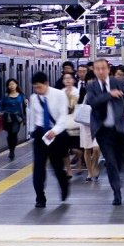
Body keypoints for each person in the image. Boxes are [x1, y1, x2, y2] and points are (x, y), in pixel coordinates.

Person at [85, 59, 124, 206]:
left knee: (118, 161)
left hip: (119, 129)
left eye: (103, 68)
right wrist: (109, 94)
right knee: (110, 161)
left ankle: (117, 178)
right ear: (94, 71)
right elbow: (93, 102)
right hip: (103, 131)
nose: (100, 71)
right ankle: (117, 192)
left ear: (108, 69)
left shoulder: (119, 83)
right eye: (97, 69)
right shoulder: (91, 86)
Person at [28, 72, 70, 208]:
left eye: (39, 87)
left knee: (57, 167)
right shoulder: (34, 98)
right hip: (40, 136)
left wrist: (55, 131)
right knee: (38, 169)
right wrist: (31, 133)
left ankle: (64, 186)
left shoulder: (59, 95)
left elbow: (63, 117)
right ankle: (40, 198)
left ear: (46, 84)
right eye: (35, 88)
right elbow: (32, 117)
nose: (37, 91)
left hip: (56, 136)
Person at [79, 70, 100, 182]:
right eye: (89, 80)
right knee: (87, 149)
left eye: (93, 80)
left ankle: (94, 165)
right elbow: (79, 105)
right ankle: (89, 172)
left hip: (97, 123)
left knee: (96, 148)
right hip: (85, 123)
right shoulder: (83, 91)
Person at [61, 73, 84, 178]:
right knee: (65, 149)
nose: (68, 80)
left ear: (73, 80)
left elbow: (76, 107)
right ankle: (69, 170)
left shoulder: (77, 92)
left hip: (76, 123)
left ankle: (79, 163)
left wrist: (71, 99)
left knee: (77, 149)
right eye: (65, 78)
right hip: (64, 124)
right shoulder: (60, 93)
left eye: (69, 78)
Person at [0, 78, 25, 161]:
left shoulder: (21, 95)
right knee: (10, 134)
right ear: (8, 86)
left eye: (13, 84)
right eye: (10, 84)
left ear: (16, 85)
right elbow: (0, 105)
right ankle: (11, 151)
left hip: (17, 118)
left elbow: (24, 108)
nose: (11, 86)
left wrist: (25, 118)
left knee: (14, 133)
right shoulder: (5, 96)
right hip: (8, 117)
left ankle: (12, 149)